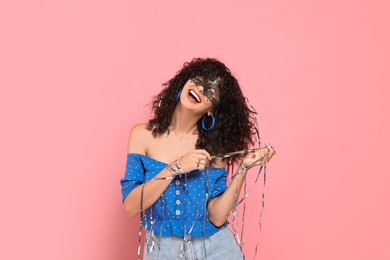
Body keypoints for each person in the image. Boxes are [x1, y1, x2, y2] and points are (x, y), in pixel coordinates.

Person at [120, 58, 276, 259]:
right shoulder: (142, 135)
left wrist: (243, 169)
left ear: (212, 109)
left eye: (211, 92)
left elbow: (217, 217)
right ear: (184, 82)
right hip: (163, 251)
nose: (200, 89)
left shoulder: (214, 148)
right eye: (198, 81)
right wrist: (175, 167)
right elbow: (131, 206)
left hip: (216, 248)